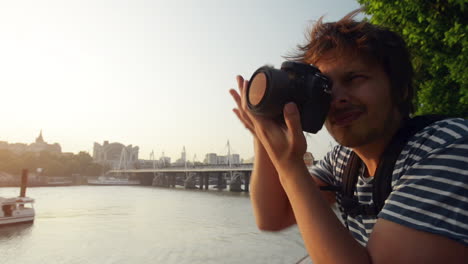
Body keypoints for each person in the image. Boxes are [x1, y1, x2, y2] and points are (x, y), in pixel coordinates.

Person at [229, 10, 467, 263]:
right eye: (325, 87)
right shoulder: (343, 161)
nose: (337, 99)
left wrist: (291, 167)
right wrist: (263, 130)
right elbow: (272, 217)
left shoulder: (448, 148)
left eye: (354, 78)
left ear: (400, 88)